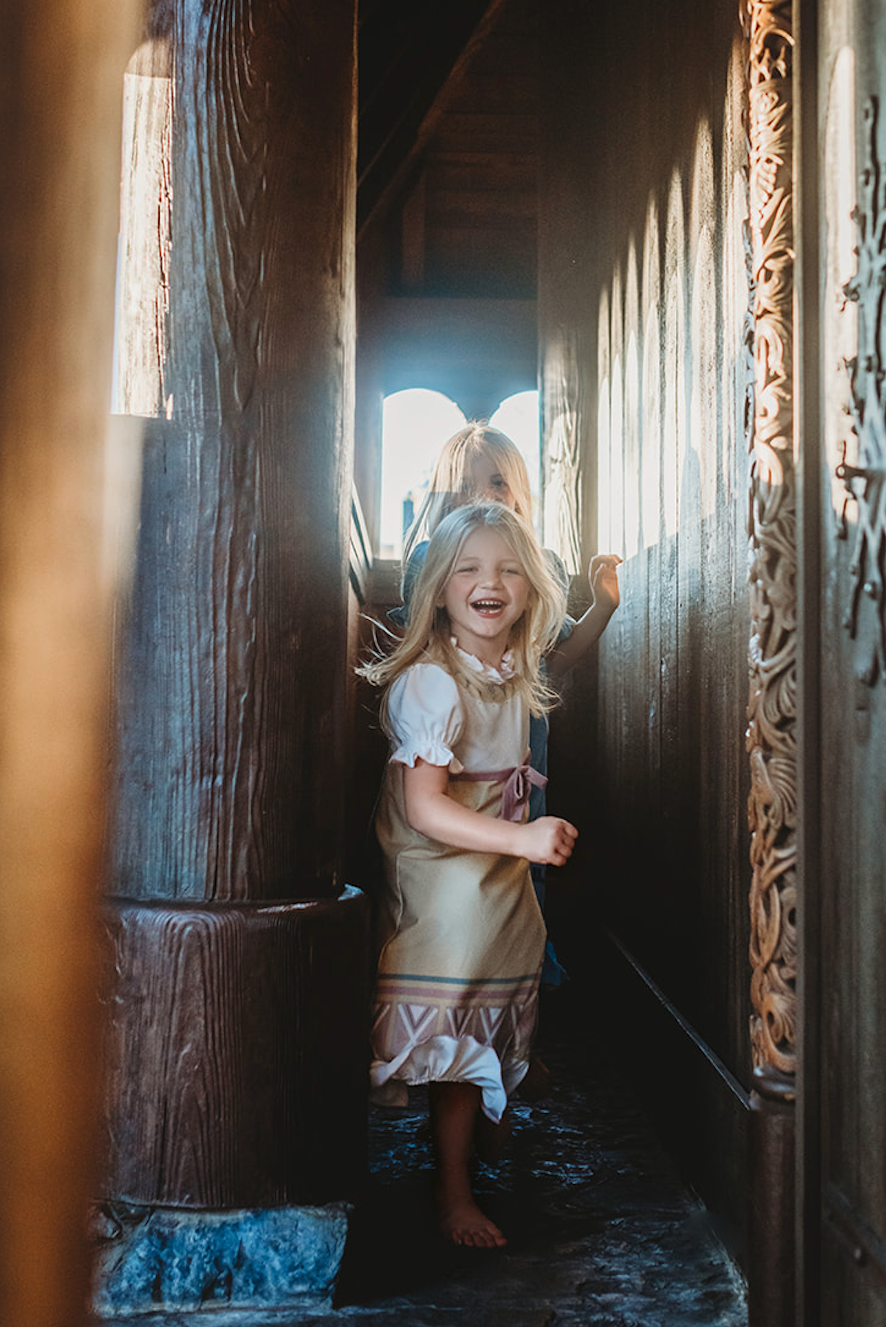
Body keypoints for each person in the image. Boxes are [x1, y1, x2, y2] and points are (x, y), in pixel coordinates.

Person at [359, 502, 576, 1248]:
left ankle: (493, 1116)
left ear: (533, 589)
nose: (494, 582)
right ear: (441, 590)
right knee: (457, 1007)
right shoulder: (434, 683)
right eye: (472, 569)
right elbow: (424, 809)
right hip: (445, 867)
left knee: (502, 980)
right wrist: (520, 837)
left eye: (512, 569)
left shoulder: (512, 668)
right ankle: (453, 1188)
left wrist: (518, 805)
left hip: (496, 858)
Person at [391, 422, 621, 988]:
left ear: (520, 492)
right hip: (462, 752)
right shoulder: (435, 560)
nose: (484, 498)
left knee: (524, 865)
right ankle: (455, 1008)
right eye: (466, 489)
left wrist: (604, 607)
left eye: (497, 483)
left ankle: (520, 996)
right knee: (462, 874)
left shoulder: (530, 566)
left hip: (519, 757)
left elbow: (554, 657)